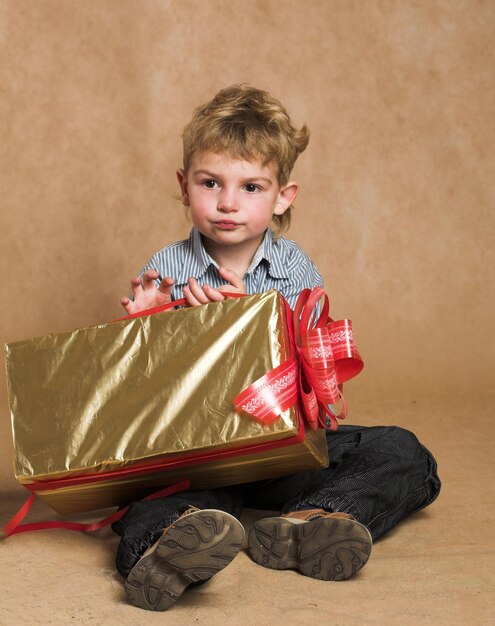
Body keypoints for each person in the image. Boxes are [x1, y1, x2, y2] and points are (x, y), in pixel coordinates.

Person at [114, 84, 441, 611]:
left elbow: (316, 367)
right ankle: (168, 547)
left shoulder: (294, 268)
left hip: (282, 448)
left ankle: (310, 522)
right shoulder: (166, 269)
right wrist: (143, 323)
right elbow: (139, 389)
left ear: (283, 196)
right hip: (201, 455)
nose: (226, 202)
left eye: (250, 187)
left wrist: (253, 320)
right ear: (183, 185)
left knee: (404, 451)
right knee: (152, 496)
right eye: (210, 183)